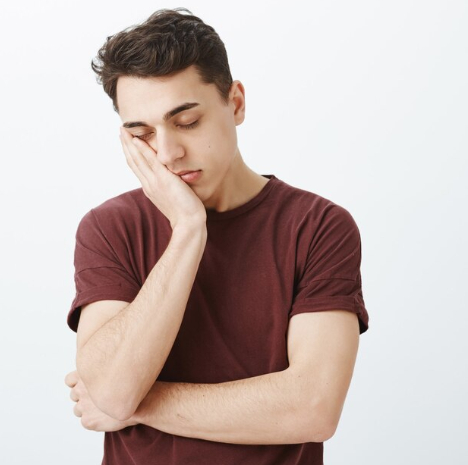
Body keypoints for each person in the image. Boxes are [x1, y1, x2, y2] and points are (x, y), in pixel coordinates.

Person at [64, 8, 369, 465]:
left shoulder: (318, 227)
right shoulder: (110, 228)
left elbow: (312, 408)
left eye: (186, 122)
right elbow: (111, 389)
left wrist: (137, 405)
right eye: (142, 134)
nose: (167, 153)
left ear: (236, 103)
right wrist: (188, 231)